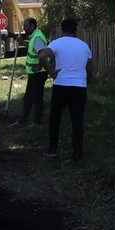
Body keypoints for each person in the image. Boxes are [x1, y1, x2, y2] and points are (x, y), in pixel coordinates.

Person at [39, 18, 93, 161]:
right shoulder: (85, 46)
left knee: (55, 118)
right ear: (76, 29)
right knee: (77, 122)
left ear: (62, 29)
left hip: (61, 85)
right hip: (79, 87)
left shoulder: (56, 43)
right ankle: (77, 154)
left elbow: (42, 55)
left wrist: (50, 70)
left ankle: (52, 149)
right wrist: (85, 82)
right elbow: (89, 68)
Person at [8, 17, 48, 129]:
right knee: (29, 97)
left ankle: (37, 122)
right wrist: (22, 43)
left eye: (26, 26)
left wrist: (39, 65)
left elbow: (42, 53)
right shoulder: (34, 36)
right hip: (33, 73)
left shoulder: (38, 37)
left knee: (37, 98)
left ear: (32, 26)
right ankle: (22, 121)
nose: (24, 29)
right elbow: (33, 48)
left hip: (38, 73)